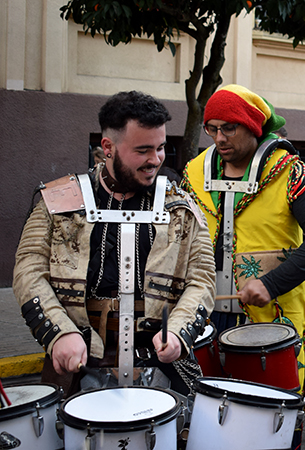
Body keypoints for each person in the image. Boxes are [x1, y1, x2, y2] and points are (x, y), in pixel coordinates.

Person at [14, 91, 215, 396]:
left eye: (161, 148)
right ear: (107, 147)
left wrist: (177, 332)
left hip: (162, 365)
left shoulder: (182, 205)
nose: (156, 159)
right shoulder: (57, 201)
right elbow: (29, 271)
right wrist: (59, 332)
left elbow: (201, 279)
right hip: (77, 364)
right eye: (143, 150)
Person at [182, 84, 305, 395]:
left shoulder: (289, 171)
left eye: (229, 128)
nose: (219, 138)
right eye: (212, 129)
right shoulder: (194, 172)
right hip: (206, 315)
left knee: (273, 416)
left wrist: (270, 284)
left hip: (275, 321)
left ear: (252, 126)